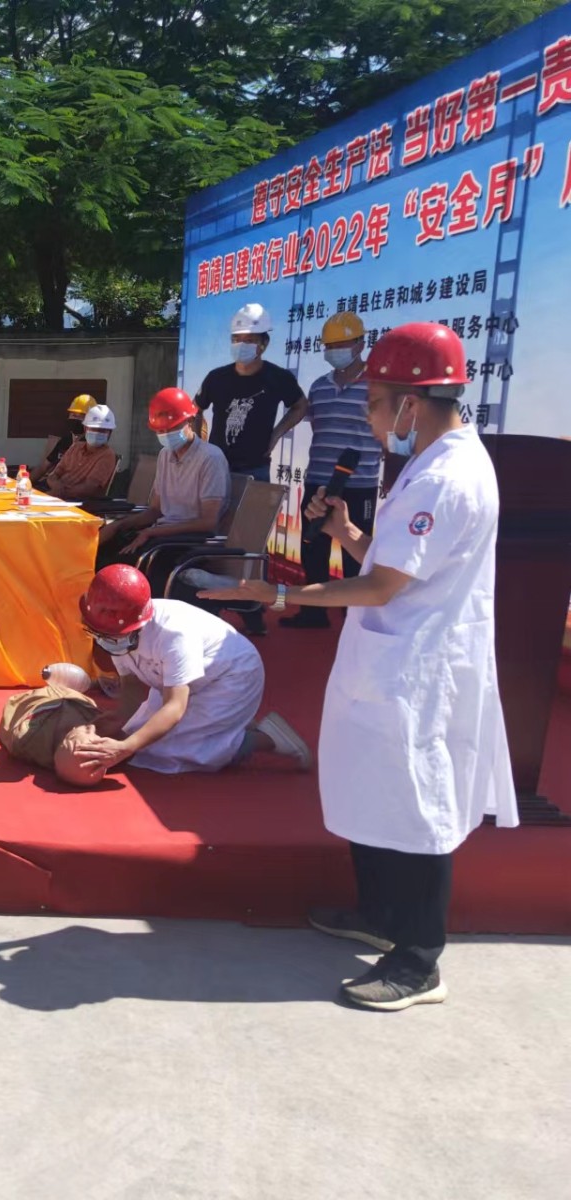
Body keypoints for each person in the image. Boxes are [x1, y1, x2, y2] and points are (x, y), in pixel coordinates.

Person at [198, 322, 517, 1011]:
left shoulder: (446, 477)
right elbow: (393, 562)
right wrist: (346, 533)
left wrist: (277, 594)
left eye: (374, 402)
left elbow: (381, 587)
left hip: (418, 667)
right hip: (388, 660)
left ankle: (418, 959)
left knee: (417, 804)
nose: (369, 418)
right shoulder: (428, 464)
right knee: (375, 790)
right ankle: (379, 914)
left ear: (412, 403)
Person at [69, 566, 311, 779]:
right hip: (185, 680)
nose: (104, 640)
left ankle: (267, 740)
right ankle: (229, 723)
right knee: (141, 735)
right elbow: (131, 685)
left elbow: (174, 707)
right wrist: (121, 721)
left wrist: (126, 747)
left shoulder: (174, 634)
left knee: (184, 751)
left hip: (232, 675)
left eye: (110, 636)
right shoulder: (116, 628)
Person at [267, 312, 383, 630]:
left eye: (341, 344)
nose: (334, 351)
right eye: (329, 345)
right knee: (312, 547)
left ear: (360, 344)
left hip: (359, 484)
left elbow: (386, 434)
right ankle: (313, 613)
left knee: (354, 552)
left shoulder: (377, 387)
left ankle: (354, 615)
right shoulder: (319, 387)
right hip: (318, 481)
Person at [95, 388, 229, 587]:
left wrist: (153, 533)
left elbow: (208, 523)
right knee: (101, 550)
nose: (165, 434)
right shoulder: (165, 455)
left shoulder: (210, 458)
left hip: (187, 542)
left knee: (120, 569)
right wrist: (120, 525)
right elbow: (156, 510)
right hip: (161, 534)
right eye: (160, 431)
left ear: (189, 421)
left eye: (171, 428)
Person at [194, 303, 306, 483]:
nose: (241, 345)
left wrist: (276, 434)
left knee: (254, 504)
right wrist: (199, 446)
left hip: (256, 469)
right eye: (236, 339)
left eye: (249, 340)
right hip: (216, 466)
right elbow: (194, 410)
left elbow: (300, 406)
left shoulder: (278, 377)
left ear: (264, 343)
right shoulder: (216, 378)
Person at [42, 403, 117, 501]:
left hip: (79, 503)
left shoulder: (107, 455)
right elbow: (54, 475)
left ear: (109, 433)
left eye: (103, 430)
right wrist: (55, 485)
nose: (98, 432)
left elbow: (89, 488)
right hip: (57, 496)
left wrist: (59, 493)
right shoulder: (75, 447)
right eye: (94, 428)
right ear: (85, 429)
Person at [36, 393, 96, 483]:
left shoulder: (91, 446)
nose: (75, 419)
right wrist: (27, 481)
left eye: (80, 416)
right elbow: (44, 466)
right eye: (73, 415)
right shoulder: (66, 440)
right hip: (52, 483)